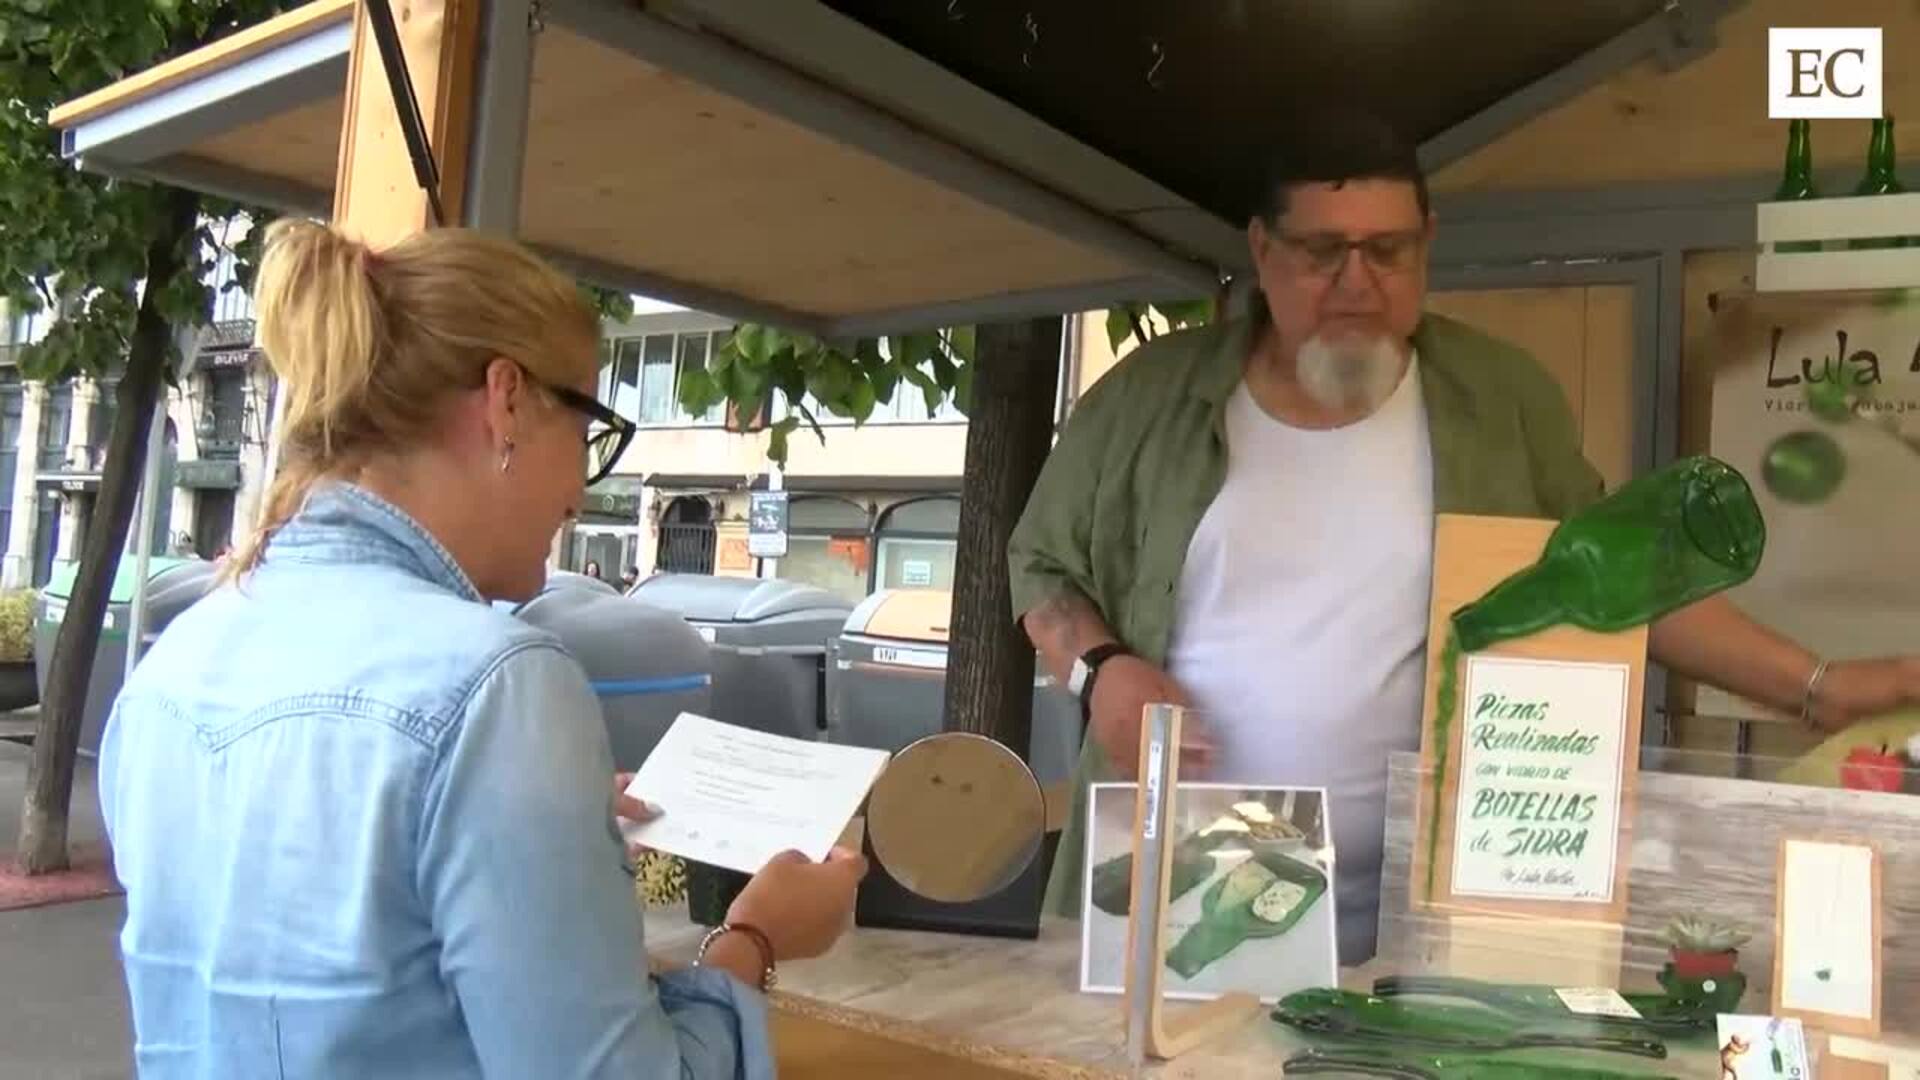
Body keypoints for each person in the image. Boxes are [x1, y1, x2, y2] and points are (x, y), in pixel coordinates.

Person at [1008, 114, 1920, 965]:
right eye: (1325, 251)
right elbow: (1040, 567)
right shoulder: (1145, 402)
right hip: (1181, 899)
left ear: (1427, 244)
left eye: (1388, 250)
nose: (1358, 281)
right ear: (1263, 250)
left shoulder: (1501, 401)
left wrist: (1821, 688)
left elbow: (1614, 583)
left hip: (1433, 914)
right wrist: (1102, 670)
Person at [99, 220, 867, 1078]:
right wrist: (757, 940)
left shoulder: (172, 665)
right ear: (507, 401)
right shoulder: (497, 683)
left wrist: (531, 820)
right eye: (589, 430)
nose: (581, 490)